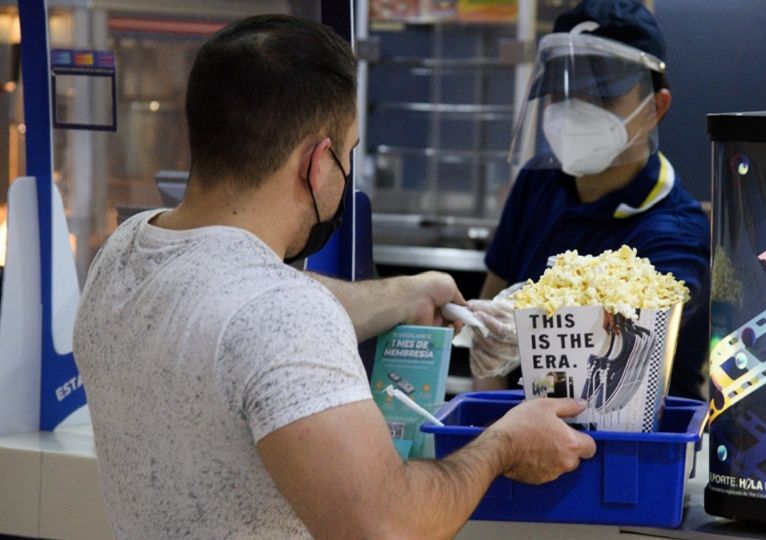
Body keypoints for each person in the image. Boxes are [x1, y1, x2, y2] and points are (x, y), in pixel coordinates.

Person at [72, 15, 595, 540]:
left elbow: (242, 312)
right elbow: (388, 526)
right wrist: (504, 445)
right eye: (348, 153)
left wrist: (402, 293)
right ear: (317, 163)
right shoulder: (280, 315)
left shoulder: (125, 252)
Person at [469, 0, 711, 401]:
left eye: (601, 96)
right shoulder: (537, 183)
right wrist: (489, 424)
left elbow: (622, 368)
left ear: (655, 108)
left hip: (630, 448)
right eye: (564, 93)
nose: (575, 112)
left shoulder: (673, 232)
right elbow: (488, 332)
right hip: (518, 435)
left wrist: (525, 336)